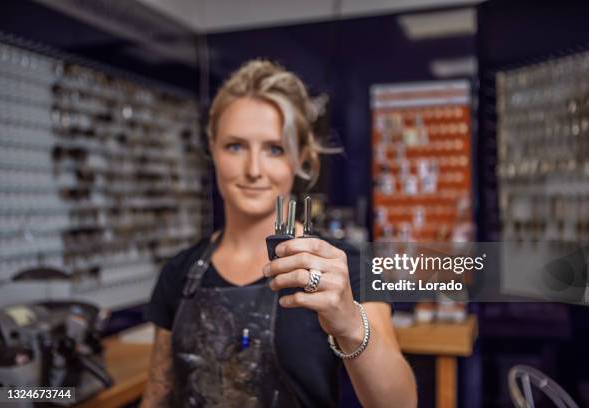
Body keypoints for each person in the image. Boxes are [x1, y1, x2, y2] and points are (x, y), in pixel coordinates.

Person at [141, 60, 417, 407]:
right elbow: (157, 395)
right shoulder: (180, 272)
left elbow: (399, 403)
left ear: (300, 157)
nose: (254, 169)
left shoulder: (342, 267)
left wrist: (350, 324)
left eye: (274, 149)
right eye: (235, 146)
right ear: (212, 149)